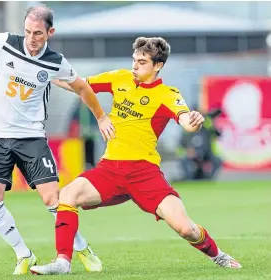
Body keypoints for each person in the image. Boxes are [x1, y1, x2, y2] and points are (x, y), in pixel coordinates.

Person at [30, 36, 242, 275]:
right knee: (68, 194)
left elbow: (187, 122)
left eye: (142, 62)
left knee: (185, 229)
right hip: (110, 169)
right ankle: (63, 262)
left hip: (145, 173)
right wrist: (46, 73)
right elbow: (78, 85)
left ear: (157, 66)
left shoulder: (167, 94)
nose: (135, 66)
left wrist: (195, 121)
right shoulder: (119, 78)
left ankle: (219, 256)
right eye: (134, 60)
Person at [0, 4, 115, 275]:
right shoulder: (5, 43)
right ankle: (23, 254)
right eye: (28, 32)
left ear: (50, 32)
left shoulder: (55, 61)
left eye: (38, 33)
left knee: (54, 200)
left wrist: (101, 117)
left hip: (31, 138)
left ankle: (83, 249)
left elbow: (82, 87)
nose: (31, 38)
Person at [179, 108, 223, 180]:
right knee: (184, 160)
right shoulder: (187, 128)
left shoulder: (207, 126)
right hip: (192, 154)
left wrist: (211, 121)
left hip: (206, 153)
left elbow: (217, 134)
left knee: (217, 160)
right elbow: (181, 143)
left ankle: (208, 178)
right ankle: (189, 178)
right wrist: (188, 150)